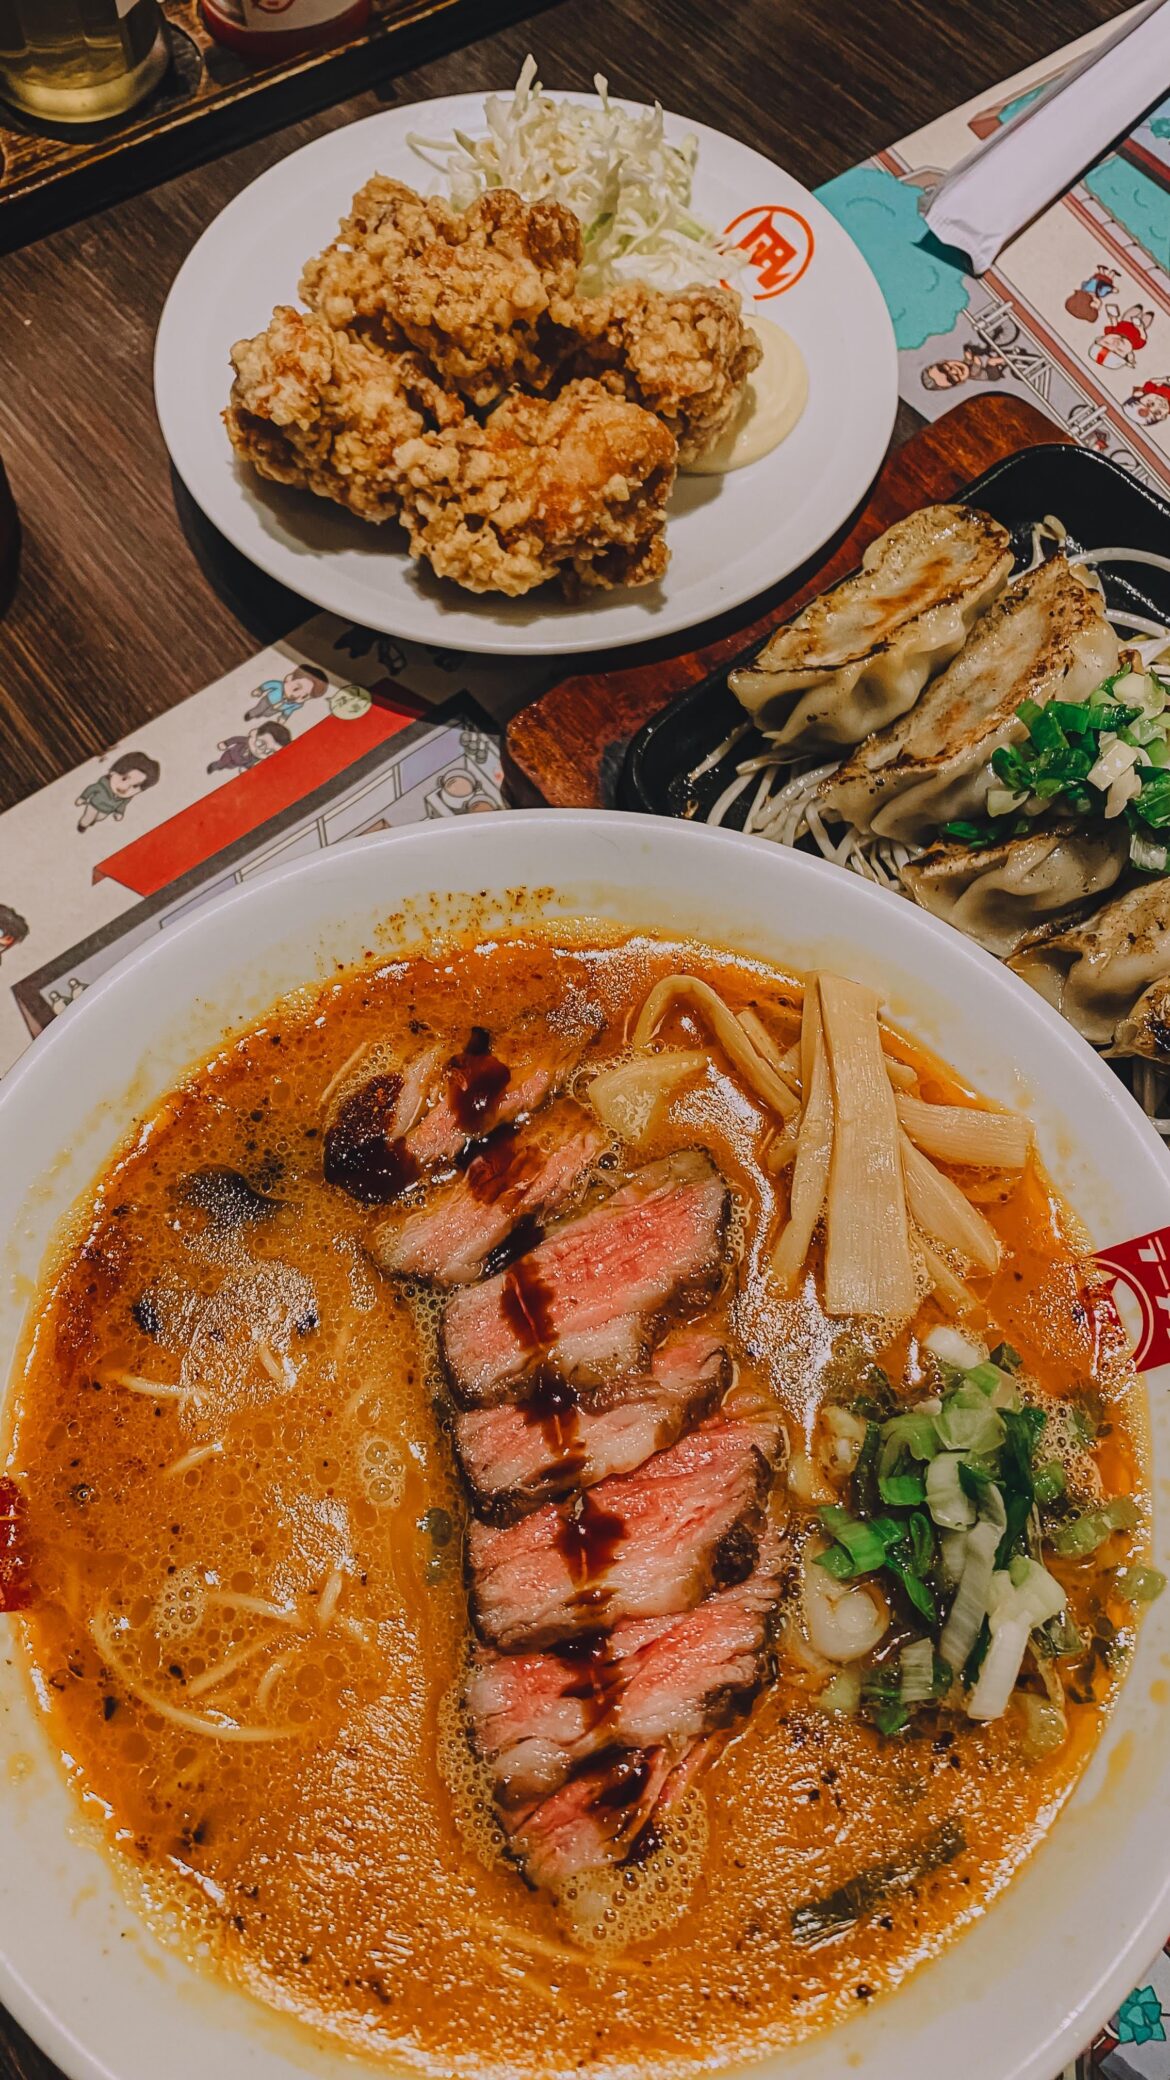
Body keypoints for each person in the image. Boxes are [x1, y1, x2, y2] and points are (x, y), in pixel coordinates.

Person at [76, 751, 161, 832]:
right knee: (88, 817)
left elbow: (122, 805)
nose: (125, 788)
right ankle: (82, 825)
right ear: (113, 772)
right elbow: (91, 788)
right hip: (94, 805)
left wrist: (119, 812)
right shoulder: (102, 786)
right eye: (124, 778)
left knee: (100, 818)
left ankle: (92, 821)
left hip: (106, 810)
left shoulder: (126, 798)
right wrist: (83, 798)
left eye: (135, 786)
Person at [244, 664, 329, 724]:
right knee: (259, 708)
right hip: (268, 700)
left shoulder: (297, 704)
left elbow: (289, 710)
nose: (297, 696)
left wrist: (284, 717)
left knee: (267, 714)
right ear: (289, 678)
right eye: (296, 688)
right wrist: (260, 690)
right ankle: (251, 714)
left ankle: (259, 715)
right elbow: (270, 684)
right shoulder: (279, 685)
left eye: (304, 696)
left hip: (277, 709)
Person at [207, 720, 291, 773]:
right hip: (230, 755)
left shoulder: (257, 757)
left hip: (238, 763)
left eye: (270, 751)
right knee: (222, 763)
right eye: (261, 743)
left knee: (230, 767)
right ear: (254, 733)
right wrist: (226, 743)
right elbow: (235, 739)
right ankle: (216, 765)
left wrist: (247, 769)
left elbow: (251, 762)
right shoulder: (245, 741)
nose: (261, 751)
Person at [920, 341, 1008, 391]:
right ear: (958, 383)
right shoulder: (973, 373)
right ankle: (1009, 359)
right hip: (991, 374)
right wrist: (975, 355)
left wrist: (967, 352)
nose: (954, 371)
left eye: (943, 368)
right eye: (951, 378)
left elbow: (968, 360)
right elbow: (977, 363)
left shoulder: (965, 366)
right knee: (992, 361)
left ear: (943, 362)